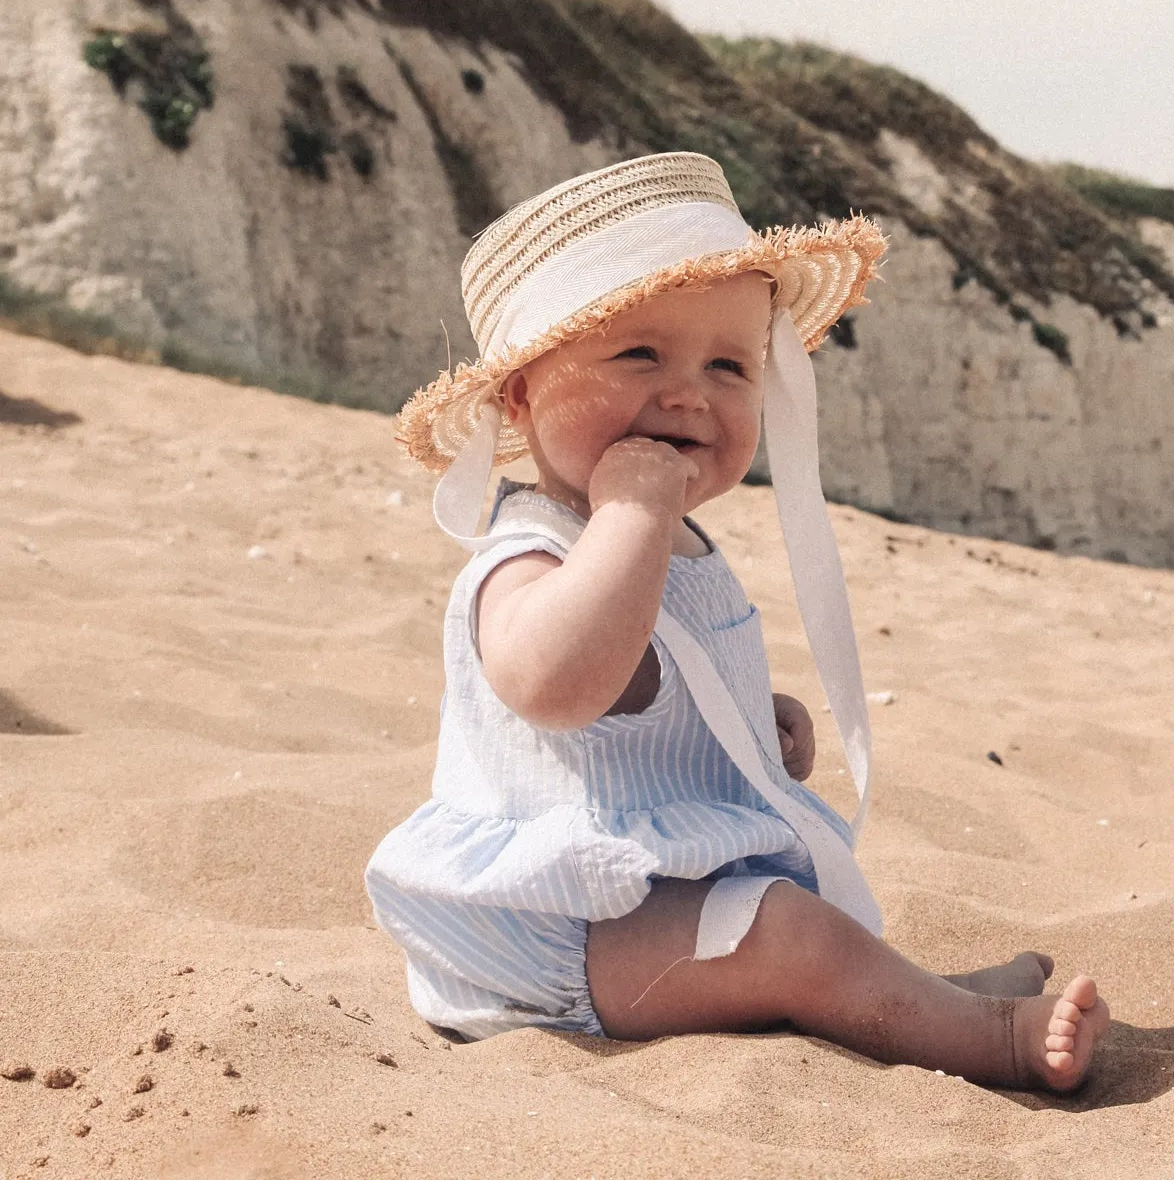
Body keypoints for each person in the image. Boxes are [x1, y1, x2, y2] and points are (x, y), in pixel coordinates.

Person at [366, 153, 1107, 1089]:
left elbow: (665, 689)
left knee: (792, 927)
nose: (689, 393)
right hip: (553, 933)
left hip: (656, 892)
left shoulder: (681, 545)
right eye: (639, 353)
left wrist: (755, 719)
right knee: (787, 936)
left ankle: (921, 999)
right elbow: (556, 687)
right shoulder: (528, 555)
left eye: (729, 365)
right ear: (519, 394)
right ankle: (986, 1034)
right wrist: (631, 514)